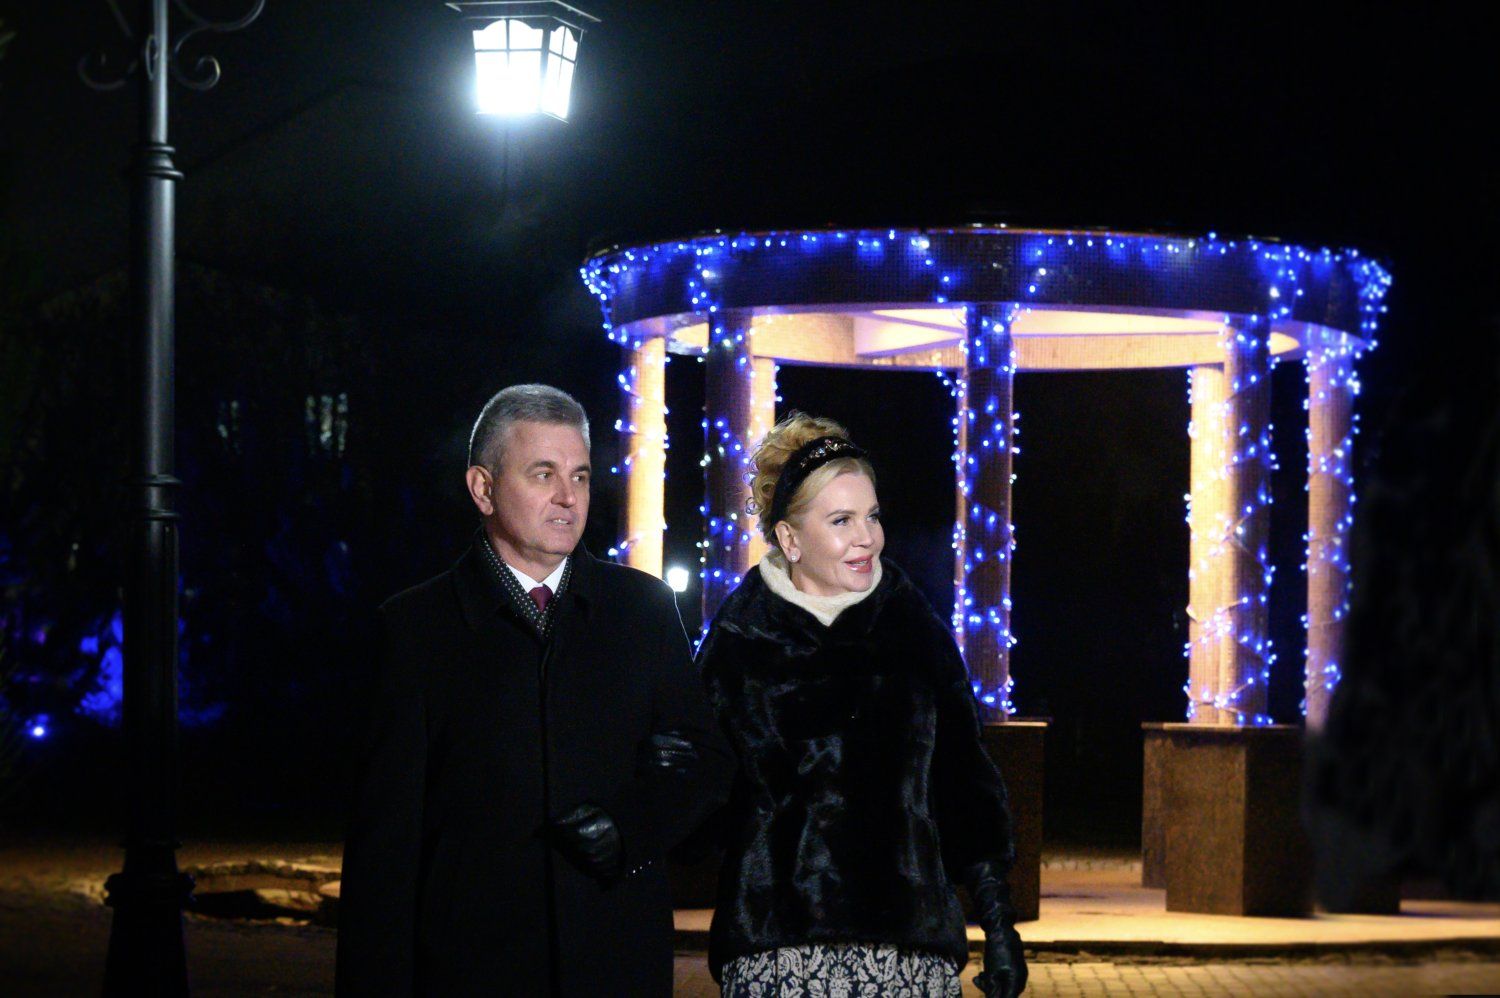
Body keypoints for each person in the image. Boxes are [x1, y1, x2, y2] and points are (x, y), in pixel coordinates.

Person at [336, 384, 733, 996]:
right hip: (470, 972)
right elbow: (383, 852)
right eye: (543, 474)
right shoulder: (415, 629)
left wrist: (629, 826)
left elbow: (704, 762)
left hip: (615, 963)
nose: (568, 497)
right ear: (483, 488)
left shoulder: (643, 610)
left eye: (580, 476)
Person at [697, 413, 1028, 997]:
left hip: (908, 959)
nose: (867, 538)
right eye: (841, 520)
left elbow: (966, 788)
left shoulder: (914, 630)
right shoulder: (738, 641)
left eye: (872, 516)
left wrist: (999, 924)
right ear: (789, 539)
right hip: (778, 961)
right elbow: (698, 809)